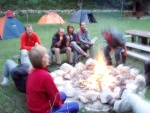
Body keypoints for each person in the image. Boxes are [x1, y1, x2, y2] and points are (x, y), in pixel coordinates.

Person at [26, 45, 79, 113]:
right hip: (43, 111)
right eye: (46, 54)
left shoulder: (31, 72)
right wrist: (59, 106)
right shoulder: (45, 76)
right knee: (75, 105)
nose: (48, 56)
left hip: (34, 108)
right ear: (43, 59)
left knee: (63, 94)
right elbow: (55, 100)